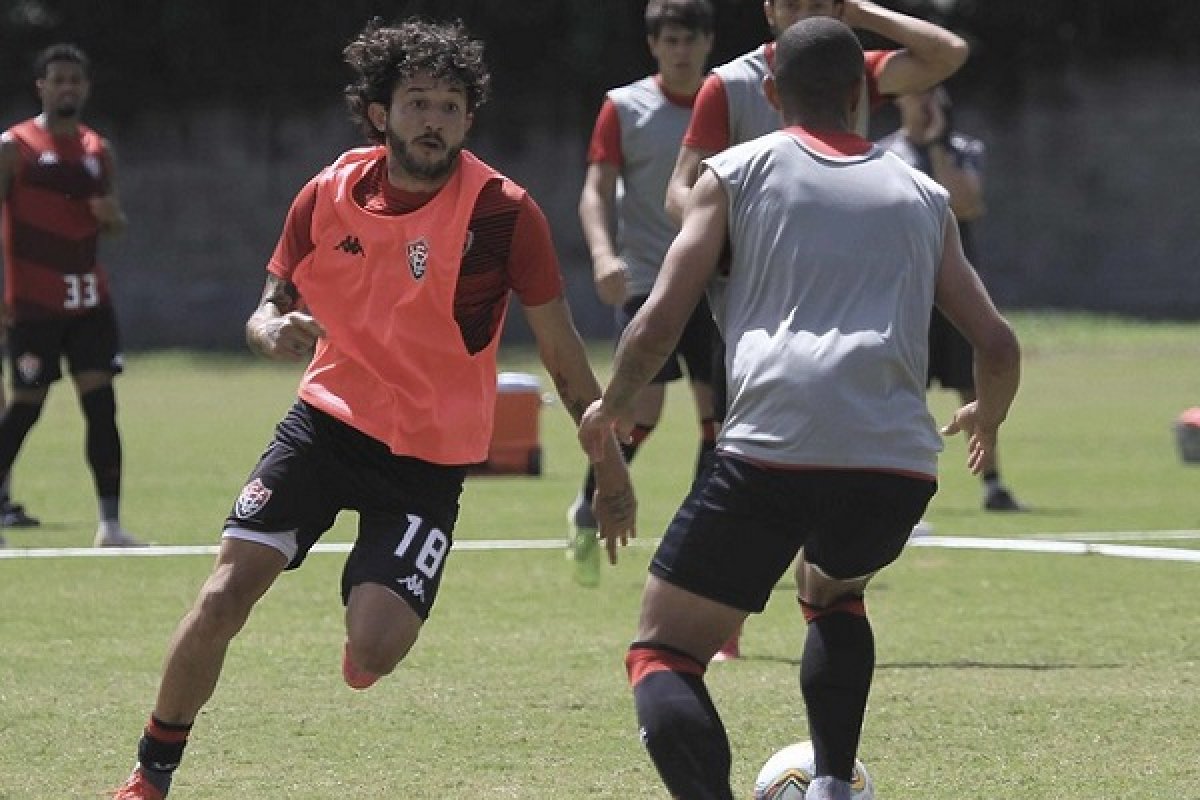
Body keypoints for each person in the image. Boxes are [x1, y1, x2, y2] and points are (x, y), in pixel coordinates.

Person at [111, 18, 635, 800]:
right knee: (224, 593)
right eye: (418, 102)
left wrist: (611, 472)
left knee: (377, 651)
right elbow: (267, 308)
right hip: (325, 426)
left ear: (469, 117)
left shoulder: (504, 213)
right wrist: (270, 330)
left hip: (429, 460)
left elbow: (562, 357)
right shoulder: (328, 193)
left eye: (451, 106)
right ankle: (151, 771)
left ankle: (368, 608)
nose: (435, 120)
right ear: (380, 112)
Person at [578, 17, 1020, 800]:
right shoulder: (923, 193)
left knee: (663, 653)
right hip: (897, 465)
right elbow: (997, 341)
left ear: (772, 92)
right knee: (832, 593)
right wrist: (987, 416)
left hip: (773, 449)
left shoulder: (735, 171)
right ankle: (831, 787)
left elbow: (656, 322)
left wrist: (610, 408)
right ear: (861, 94)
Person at [665, 0, 970, 660]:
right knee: (731, 446)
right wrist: (732, 239)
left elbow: (947, 54)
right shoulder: (730, 82)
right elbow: (679, 190)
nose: (804, 7)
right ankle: (728, 615)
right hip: (762, 309)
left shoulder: (852, 67)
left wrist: (861, 13)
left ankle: (815, 599)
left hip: (850, 306)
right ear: (769, 9)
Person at [568, 0, 717, 587]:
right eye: (671, 40)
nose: (681, 50)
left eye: (691, 39)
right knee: (636, 409)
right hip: (649, 282)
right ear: (654, 45)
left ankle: (701, 533)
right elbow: (594, 192)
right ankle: (589, 504)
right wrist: (604, 256)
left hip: (714, 283)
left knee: (718, 418)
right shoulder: (624, 107)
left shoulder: (727, 101)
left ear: (708, 42)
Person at [0, 43, 139, 548]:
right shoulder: (15, 147)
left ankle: (110, 525)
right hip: (34, 304)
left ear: (86, 88)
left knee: (101, 406)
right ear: (41, 86)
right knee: (26, 406)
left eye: (75, 81)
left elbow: (117, 222)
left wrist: (111, 219)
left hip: (88, 303)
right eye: (57, 80)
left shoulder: (97, 150)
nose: (67, 88)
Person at [879, 85, 1025, 512]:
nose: (924, 102)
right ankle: (897, 484)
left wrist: (938, 145)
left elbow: (965, 205)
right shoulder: (883, 155)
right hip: (907, 287)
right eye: (915, 93)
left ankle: (993, 482)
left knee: (973, 382)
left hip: (958, 287)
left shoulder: (962, 150)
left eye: (932, 94)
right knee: (906, 387)